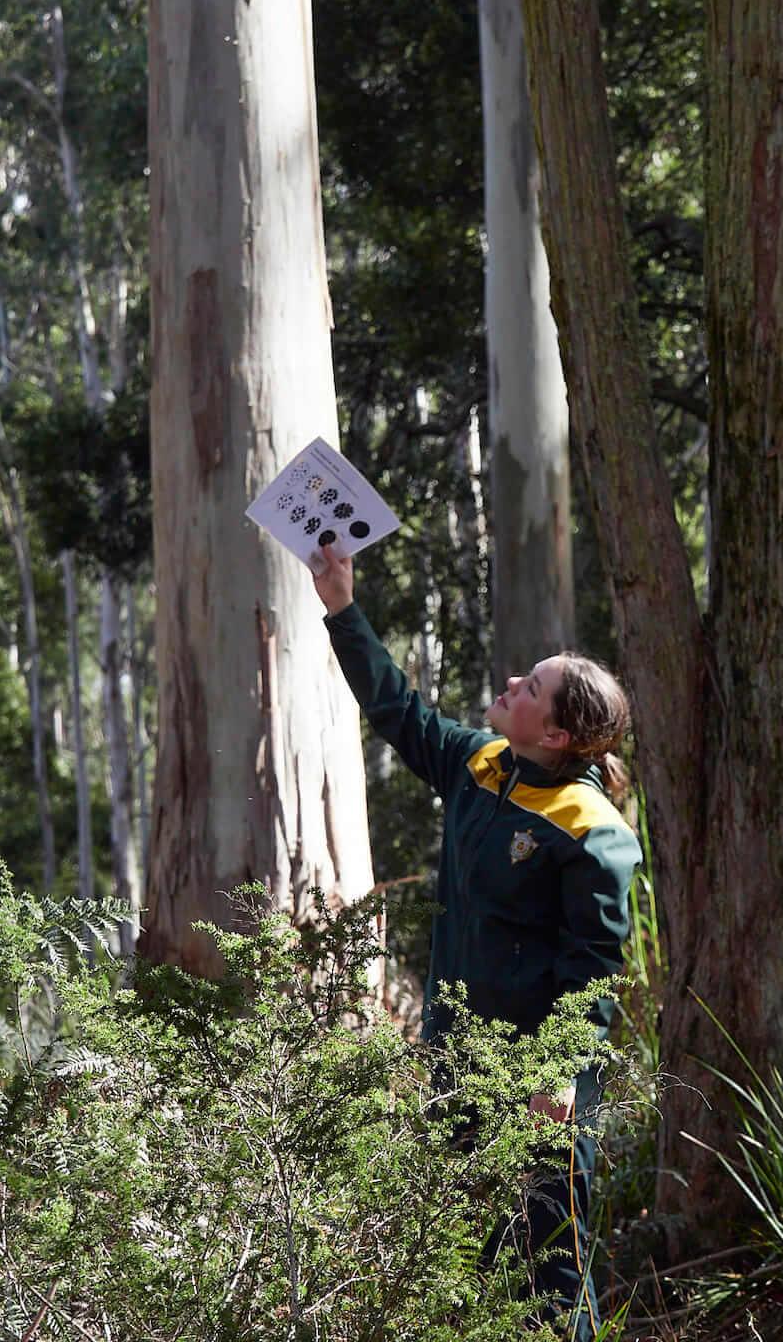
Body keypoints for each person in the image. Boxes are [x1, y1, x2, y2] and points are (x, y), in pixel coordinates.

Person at [311, 539, 638, 1342]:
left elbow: (593, 974)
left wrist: (559, 1078)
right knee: (464, 1262)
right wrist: (341, 608)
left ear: (558, 735)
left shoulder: (594, 834)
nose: (511, 684)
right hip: (457, 1061)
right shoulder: (482, 764)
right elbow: (396, 710)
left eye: (532, 687)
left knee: (548, 1272)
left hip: (539, 1084)